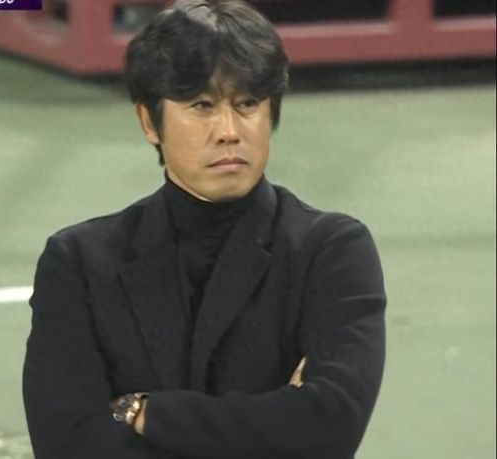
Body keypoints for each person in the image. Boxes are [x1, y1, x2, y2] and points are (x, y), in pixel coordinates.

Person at [22, 1, 387, 458]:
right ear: (148, 122)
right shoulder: (79, 262)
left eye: (247, 104)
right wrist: (278, 421)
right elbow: (69, 444)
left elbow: (329, 427)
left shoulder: (331, 251)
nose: (229, 131)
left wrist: (149, 414)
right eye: (202, 106)